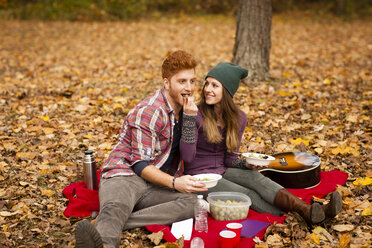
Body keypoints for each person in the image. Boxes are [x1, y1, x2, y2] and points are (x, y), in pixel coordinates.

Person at [180, 62, 342, 225]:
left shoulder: (238, 118)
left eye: (215, 85)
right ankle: (297, 216)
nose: (207, 89)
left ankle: (309, 210)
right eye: (207, 83)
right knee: (245, 192)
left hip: (224, 169)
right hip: (199, 176)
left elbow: (229, 160)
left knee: (258, 179)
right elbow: (187, 157)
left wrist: (249, 164)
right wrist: (188, 119)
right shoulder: (194, 113)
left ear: (227, 91)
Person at [75, 50, 208, 248]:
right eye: (182, 82)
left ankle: (108, 221)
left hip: (155, 181)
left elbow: (187, 156)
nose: (189, 88)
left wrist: (189, 120)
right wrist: (175, 182)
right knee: (116, 207)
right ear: (166, 82)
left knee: (195, 203)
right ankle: (103, 243)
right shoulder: (150, 112)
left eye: (192, 81)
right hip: (126, 174)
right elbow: (140, 165)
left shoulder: (187, 110)